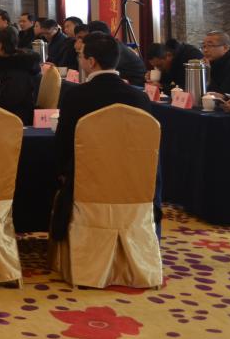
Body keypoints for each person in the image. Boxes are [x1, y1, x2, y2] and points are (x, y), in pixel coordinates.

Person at [50, 32, 160, 241]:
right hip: (132, 180)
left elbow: (63, 144)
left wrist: (63, 173)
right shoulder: (139, 98)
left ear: (91, 62)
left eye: (81, 55)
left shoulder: (76, 96)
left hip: (87, 179)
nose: (79, 59)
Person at [0, 27, 42, 125]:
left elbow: (10, 102)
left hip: (16, 120)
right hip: (1, 113)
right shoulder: (2, 64)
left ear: (0, 45)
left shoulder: (18, 70)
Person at [85, 21, 146, 87]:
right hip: (125, 81)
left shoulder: (113, 48)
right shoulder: (111, 45)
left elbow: (105, 72)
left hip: (136, 84)